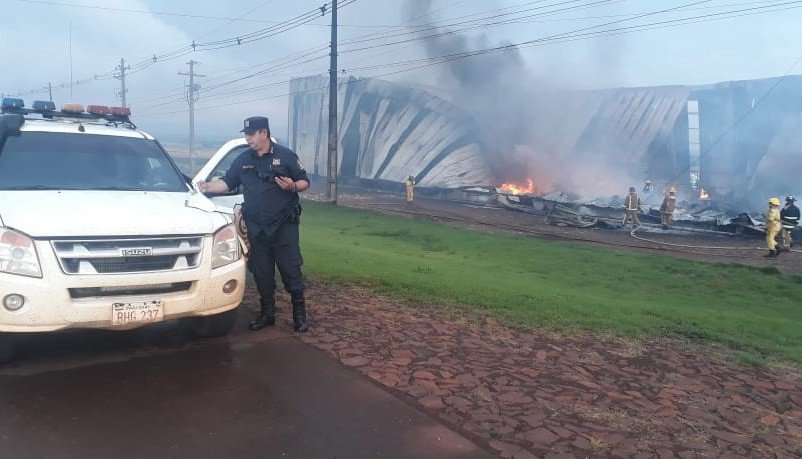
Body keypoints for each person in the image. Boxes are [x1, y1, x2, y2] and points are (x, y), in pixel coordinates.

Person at [196, 116, 310, 332]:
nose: (247, 138)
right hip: (256, 227)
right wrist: (207, 186)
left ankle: (299, 315)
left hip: (283, 225)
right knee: (262, 272)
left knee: (290, 269)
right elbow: (228, 183)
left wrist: (292, 186)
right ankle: (267, 314)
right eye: (246, 134)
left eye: (251, 134)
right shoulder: (242, 160)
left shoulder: (285, 156)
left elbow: (305, 182)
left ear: (264, 133)